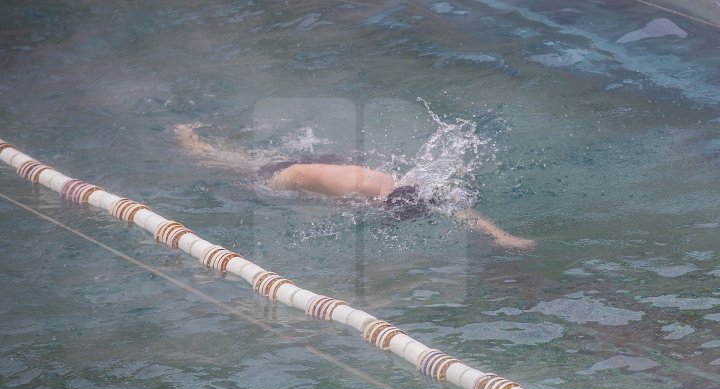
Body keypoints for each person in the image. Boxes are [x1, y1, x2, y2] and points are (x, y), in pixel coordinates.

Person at [174, 123, 535, 250]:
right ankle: (189, 140)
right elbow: (298, 177)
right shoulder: (360, 186)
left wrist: (500, 235)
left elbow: (456, 209)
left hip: (335, 167)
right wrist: (266, 188)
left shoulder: (411, 189)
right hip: (293, 173)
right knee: (233, 164)